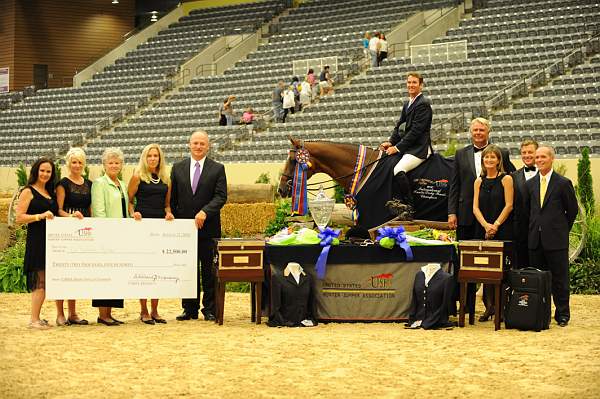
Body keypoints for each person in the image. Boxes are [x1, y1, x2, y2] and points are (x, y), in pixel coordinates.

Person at [447, 117, 515, 316]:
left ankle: (491, 307)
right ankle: (467, 306)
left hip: (494, 215)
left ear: (488, 132)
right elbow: (454, 185)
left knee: (491, 262)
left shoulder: (502, 152)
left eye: (481, 130)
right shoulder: (460, 154)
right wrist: (452, 212)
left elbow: (510, 178)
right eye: (475, 130)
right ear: (471, 132)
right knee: (467, 263)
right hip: (468, 216)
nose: (478, 133)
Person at [171, 130, 227, 322]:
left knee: (209, 271)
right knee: (188, 269)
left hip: (209, 228)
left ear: (208, 146)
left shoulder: (218, 168)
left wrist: (205, 211)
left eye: (202, 143)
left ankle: (209, 309)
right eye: (195, 143)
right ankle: (189, 308)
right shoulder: (177, 168)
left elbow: (221, 197)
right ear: (189, 144)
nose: (198, 146)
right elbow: (174, 198)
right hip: (185, 231)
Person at [523, 146, 578, 327]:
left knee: (560, 280)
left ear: (551, 158)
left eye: (543, 157)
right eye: (537, 157)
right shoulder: (530, 185)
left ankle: (562, 314)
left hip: (556, 241)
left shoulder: (563, 183)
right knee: (538, 281)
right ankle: (541, 313)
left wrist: (560, 230)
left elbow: (572, 211)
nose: (539, 160)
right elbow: (527, 212)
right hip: (535, 241)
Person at [128, 143, 174, 325]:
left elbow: (167, 204)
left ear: (160, 158)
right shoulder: (137, 176)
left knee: (158, 269)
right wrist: (133, 213)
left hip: (160, 229)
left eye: (156, 156)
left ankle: (155, 310)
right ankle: (143, 310)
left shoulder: (165, 179)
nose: (153, 158)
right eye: (149, 156)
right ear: (144, 158)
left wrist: (169, 213)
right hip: (142, 226)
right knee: (144, 268)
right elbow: (130, 200)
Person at [472, 145, 514, 321]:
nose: (489, 160)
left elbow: (509, 205)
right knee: (485, 270)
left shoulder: (506, 179)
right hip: (484, 229)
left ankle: (502, 309)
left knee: (502, 271)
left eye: (493, 157)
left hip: (502, 228)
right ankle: (489, 307)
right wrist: (485, 226)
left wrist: (495, 225)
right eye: (486, 157)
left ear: (499, 160)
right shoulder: (478, 181)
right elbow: (475, 207)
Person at [379, 72, 433, 208]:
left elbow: (415, 132)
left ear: (421, 85)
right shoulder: (407, 103)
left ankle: (409, 206)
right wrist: (391, 142)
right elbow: (399, 125)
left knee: (398, 169)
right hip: (409, 147)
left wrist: (397, 148)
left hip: (419, 148)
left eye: (414, 82)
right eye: (409, 82)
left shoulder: (423, 104)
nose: (411, 85)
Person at [15, 157, 57, 329]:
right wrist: (39, 216)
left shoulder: (50, 192)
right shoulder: (28, 191)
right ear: (35, 171)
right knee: (40, 281)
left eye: (48, 171)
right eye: (42, 170)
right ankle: (33, 320)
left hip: (51, 241)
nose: (45, 174)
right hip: (37, 240)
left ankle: (37, 317)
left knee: (45, 280)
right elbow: (19, 217)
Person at [91, 148, 129, 326]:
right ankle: (102, 314)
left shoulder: (122, 184)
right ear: (104, 165)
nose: (114, 165)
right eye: (110, 163)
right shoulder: (99, 183)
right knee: (104, 274)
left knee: (115, 274)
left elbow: (125, 209)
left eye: (117, 163)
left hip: (121, 236)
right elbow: (99, 211)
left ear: (121, 165)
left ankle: (110, 313)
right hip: (106, 236)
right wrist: (105, 234)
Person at [55, 148, 91, 326]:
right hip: (67, 229)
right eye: (74, 162)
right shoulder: (63, 184)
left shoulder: (89, 183)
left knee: (76, 273)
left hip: (84, 230)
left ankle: (73, 313)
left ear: (84, 164)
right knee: (63, 272)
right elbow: (59, 210)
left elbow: (90, 208)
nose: (77, 165)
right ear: (69, 163)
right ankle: (60, 314)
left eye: (80, 162)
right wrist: (71, 217)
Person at [511, 139, 539, 268]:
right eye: (524, 152)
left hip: (541, 232)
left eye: (530, 152)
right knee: (520, 268)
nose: (527, 155)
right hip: (520, 232)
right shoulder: (513, 176)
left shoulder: (546, 175)